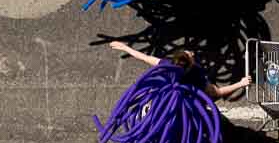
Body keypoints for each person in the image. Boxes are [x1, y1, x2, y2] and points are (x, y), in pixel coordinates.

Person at [106, 41, 250, 100]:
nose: (191, 53)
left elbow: (145, 57)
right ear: (188, 67)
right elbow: (217, 92)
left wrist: (126, 48)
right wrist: (241, 83)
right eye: (190, 56)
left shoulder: (167, 65)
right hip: (191, 102)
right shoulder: (196, 77)